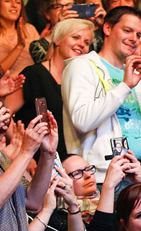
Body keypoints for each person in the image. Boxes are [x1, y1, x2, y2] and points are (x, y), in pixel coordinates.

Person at [62, 6, 141, 177]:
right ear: (107, 28)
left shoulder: (136, 72)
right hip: (100, 175)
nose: (133, 39)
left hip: (140, 170)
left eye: (138, 35)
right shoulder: (81, 66)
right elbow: (82, 121)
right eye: (127, 31)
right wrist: (125, 87)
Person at [18, 17, 93, 156]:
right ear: (57, 39)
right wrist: (21, 151)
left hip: (72, 159)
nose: (82, 44)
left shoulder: (83, 80)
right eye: (76, 37)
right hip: (36, 158)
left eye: (87, 42)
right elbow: (6, 113)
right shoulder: (34, 74)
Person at [0, 0, 40, 76]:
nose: (14, 5)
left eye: (18, 2)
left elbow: (45, 62)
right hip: (7, 87)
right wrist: (19, 46)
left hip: (34, 85)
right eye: (8, 1)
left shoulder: (29, 29)